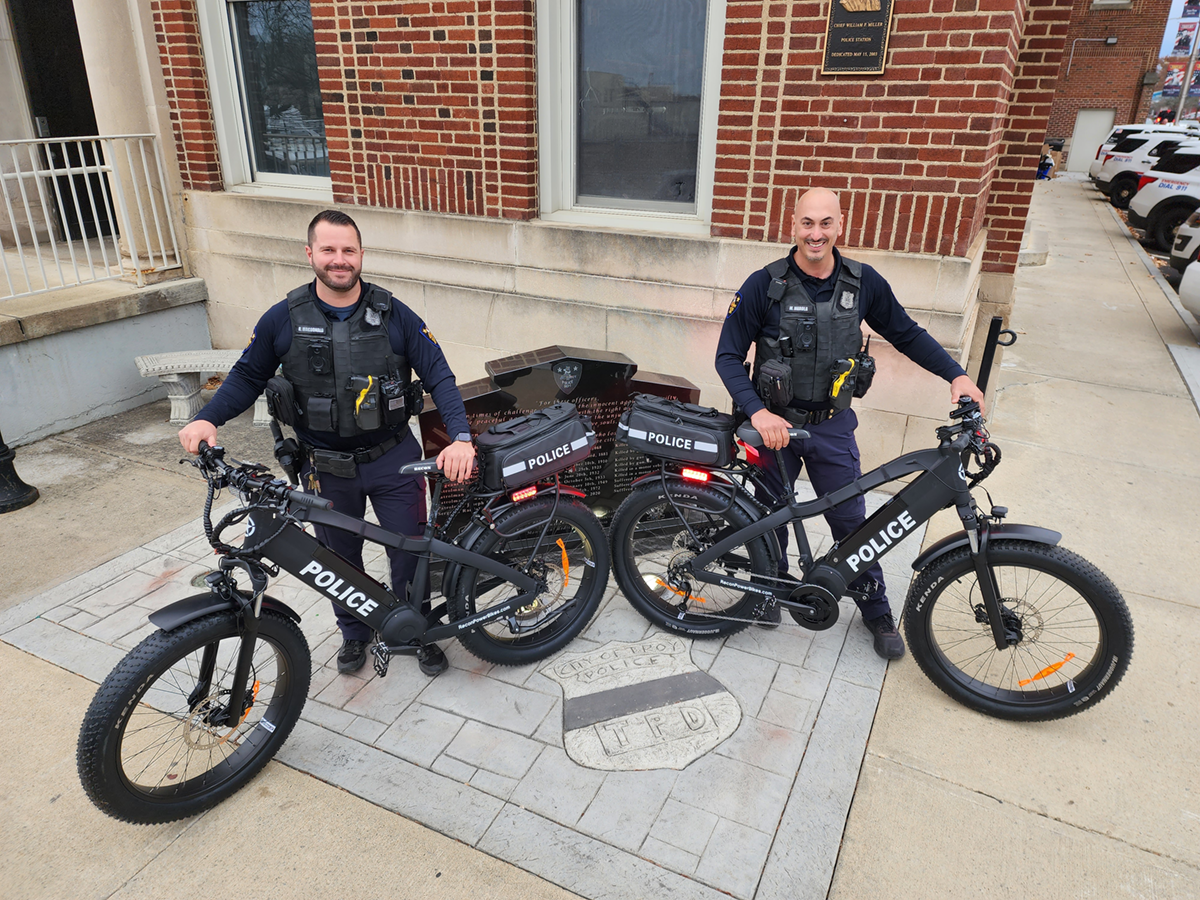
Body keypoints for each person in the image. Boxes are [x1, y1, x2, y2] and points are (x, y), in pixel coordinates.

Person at [179, 210, 475, 677]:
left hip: (394, 460)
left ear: (361, 254)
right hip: (325, 467)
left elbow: (439, 374)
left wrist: (459, 437)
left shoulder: (395, 314)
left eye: (348, 250)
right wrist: (206, 418)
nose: (340, 260)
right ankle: (355, 633)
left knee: (411, 553)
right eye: (329, 250)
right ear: (310, 253)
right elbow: (247, 376)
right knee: (336, 560)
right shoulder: (282, 318)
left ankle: (414, 629)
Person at [715, 188, 984, 659]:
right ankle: (769, 591)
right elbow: (728, 356)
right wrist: (758, 412)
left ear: (840, 224)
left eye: (825, 223)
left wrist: (956, 374)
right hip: (773, 428)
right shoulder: (764, 285)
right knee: (769, 515)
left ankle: (875, 608)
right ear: (793, 224)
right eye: (807, 223)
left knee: (852, 522)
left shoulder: (863, 283)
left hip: (831, 425)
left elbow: (906, 334)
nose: (815, 233)